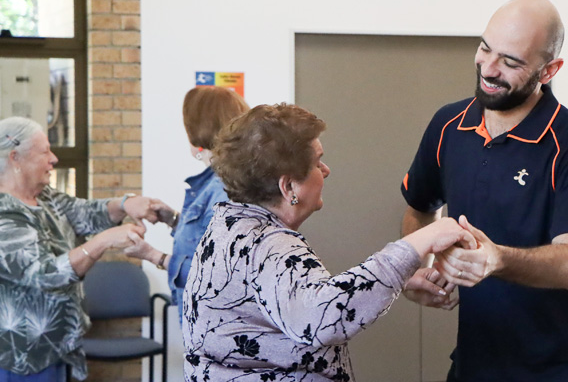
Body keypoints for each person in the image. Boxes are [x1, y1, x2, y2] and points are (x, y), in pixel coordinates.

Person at [182, 103, 476, 381]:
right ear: (289, 187)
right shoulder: (267, 244)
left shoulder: (230, 227)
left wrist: (399, 280)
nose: (326, 171)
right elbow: (322, 317)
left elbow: (298, 294)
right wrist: (417, 244)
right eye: (317, 162)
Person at [400, 0, 568, 382]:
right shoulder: (448, 125)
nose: (488, 67)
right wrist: (417, 268)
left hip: (560, 362)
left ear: (549, 71)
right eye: (484, 48)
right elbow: (420, 209)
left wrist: (497, 259)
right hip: (476, 354)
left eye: (511, 62)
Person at [0, 117, 172, 381]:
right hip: (23, 356)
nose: (54, 158)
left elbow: (83, 212)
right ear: (15, 158)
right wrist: (104, 241)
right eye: (45, 151)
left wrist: (126, 204)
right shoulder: (5, 214)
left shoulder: (43, 196)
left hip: (58, 346)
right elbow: (44, 274)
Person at [124, 86, 249, 322]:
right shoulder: (215, 183)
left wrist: (151, 255)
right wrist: (172, 219)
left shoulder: (223, 189)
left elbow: (213, 273)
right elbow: (205, 240)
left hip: (213, 325)